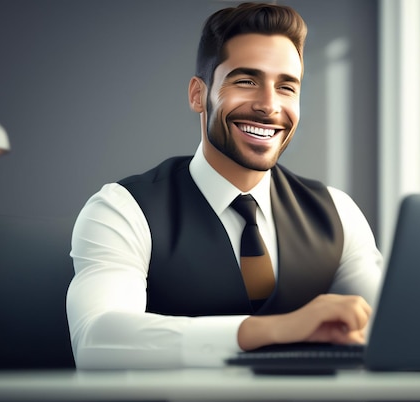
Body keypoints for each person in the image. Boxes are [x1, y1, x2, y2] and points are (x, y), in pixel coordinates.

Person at [66, 2, 382, 369]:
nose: (269, 106)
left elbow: (394, 334)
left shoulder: (337, 211)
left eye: (286, 87)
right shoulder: (122, 209)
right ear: (198, 95)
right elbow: (95, 341)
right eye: (246, 81)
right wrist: (271, 330)